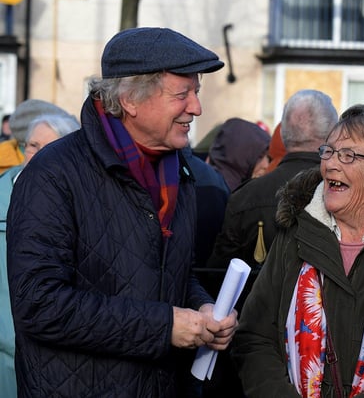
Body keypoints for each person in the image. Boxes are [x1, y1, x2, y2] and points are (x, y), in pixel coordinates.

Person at [7, 27, 238, 397]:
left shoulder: (178, 172)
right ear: (130, 100)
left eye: (196, 93)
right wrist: (164, 326)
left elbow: (161, 272)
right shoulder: (54, 174)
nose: (196, 107)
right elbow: (39, 305)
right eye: (183, 94)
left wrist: (203, 307)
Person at [232, 104, 364, 397]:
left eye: (349, 155)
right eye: (329, 152)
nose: (332, 164)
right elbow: (255, 337)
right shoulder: (295, 232)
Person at [210, 89, 339, 270]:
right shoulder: (344, 191)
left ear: (283, 133)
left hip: (255, 298)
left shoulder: (246, 196)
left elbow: (220, 273)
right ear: (332, 134)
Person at [0, 111, 80, 398]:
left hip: (54, 356)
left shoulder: (80, 206)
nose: (36, 156)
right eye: (32, 146)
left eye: (49, 149)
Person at [207, 117, 271, 192]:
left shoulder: (238, 190)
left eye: (268, 157)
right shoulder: (215, 191)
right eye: (259, 157)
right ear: (239, 155)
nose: (266, 165)